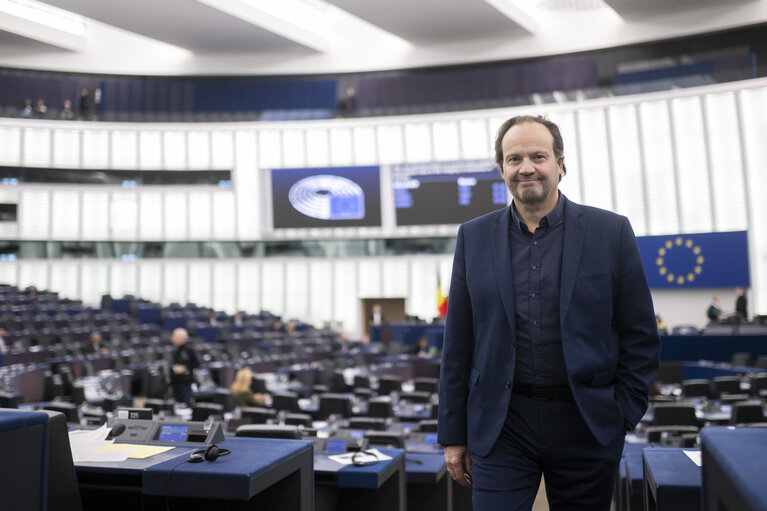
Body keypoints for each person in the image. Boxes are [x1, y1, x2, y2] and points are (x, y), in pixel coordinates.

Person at [438, 115, 661, 511]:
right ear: (501, 169)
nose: (526, 167)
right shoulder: (472, 237)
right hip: (500, 424)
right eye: (514, 158)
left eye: (538, 156)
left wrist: (622, 414)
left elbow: (640, 334)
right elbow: (458, 343)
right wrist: (453, 434)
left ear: (560, 163)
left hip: (586, 422)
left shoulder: (611, 233)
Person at [169, 328, 199, 406]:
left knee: (186, 405)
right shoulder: (175, 350)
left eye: (174, 336)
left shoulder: (189, 350)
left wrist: (185, 368)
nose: (172, 338)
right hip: (175, 383)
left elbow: (196, 364)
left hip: (185, 383)